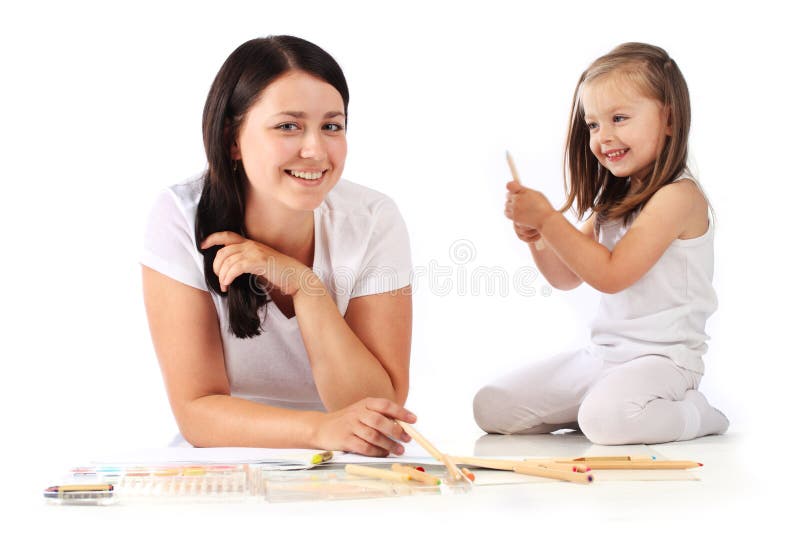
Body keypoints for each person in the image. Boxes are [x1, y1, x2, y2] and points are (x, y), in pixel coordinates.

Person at [141, 35, 416, 456]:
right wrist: (319, 431)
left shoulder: (372, 219)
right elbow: (196, 411)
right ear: (233, 139)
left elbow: (378, 409)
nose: (315, 150)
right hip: (226, 466)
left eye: (332, 126)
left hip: (348, 467)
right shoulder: (180, 214)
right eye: (288, 126)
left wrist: (305, 287)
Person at [473, 43, 729, 445]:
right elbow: (565, 277)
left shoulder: (678, 197)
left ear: (670, 119)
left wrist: (548, 219)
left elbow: (612, 274)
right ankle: (604, 407)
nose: (603, 137)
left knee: (606, 422)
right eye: (593, 125)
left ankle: (695, 414)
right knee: (491, 406)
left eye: (620, 118)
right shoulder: (614, 201)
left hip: (664, 361)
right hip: (604, 357)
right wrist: (537, 237)